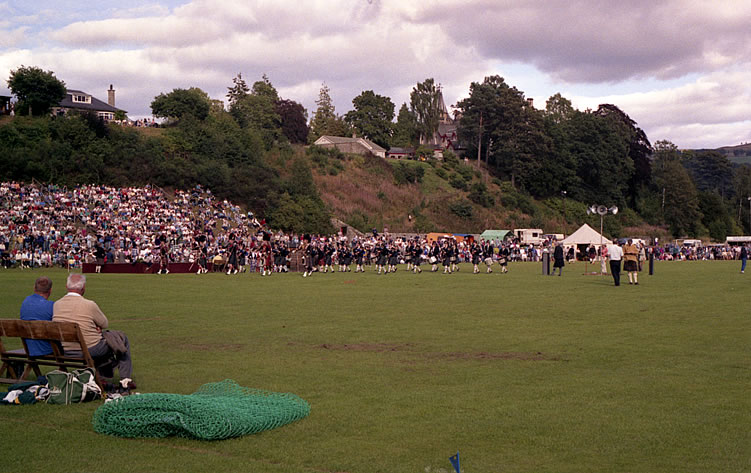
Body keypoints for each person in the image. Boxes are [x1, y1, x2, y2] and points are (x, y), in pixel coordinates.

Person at [53, 273, 135, 390]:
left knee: (106, 341)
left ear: (67, 286)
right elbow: (104, 323)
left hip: (66, 350)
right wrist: (96, 326)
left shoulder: (57, 304)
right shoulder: (89, 305)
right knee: (120, 339)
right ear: (83, 288)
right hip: (89, 349)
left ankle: (102, 377)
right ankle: (125, 380)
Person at [19, 276, 55, 356]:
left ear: (34, 288)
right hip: (47, 349)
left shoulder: (26, 302)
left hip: (29, 348)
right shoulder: (51, 306)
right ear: (50, 290)